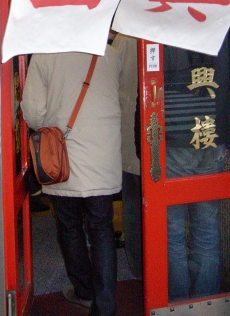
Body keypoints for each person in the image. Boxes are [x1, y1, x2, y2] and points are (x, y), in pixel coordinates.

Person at [21, 44, 123, 316]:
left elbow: (33, 112)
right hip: (103, 155)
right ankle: (106, 306)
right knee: (102, 228)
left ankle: (84, 291)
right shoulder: (111, 54)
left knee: (69, 226)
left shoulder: (44, 55)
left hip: (62, 156)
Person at [163, 32, 230, 302]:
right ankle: (205, 300)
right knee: (206, 226)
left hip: (174, 137)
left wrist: (144, 145)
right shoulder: (221, 20)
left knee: (171, 229)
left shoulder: (165, 19)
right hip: (212, 135)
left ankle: (177, 301)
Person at [111, 32, 142, 279]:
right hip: (167, 138)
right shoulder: (167, 29)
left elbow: (111, 83)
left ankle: (139, 265)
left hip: (130, 137)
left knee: (132, 205)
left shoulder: (124, 40)